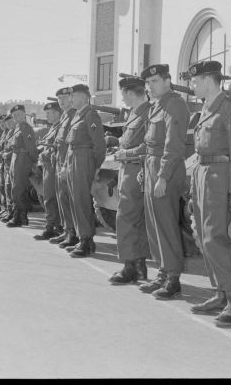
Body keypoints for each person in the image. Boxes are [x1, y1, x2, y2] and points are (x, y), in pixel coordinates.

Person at [188, 60, 231, 326]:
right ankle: (221, 292)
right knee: (201, 235)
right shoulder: (205, 109)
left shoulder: (230, 108)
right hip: (203, 174)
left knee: (215, 237)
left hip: (219, 176)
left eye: (195, 81)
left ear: (208, 80)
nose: (192, 85)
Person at [139, 64, 189, 300]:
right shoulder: (156, 106)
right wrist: (145, 169)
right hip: (152, 165)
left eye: (155, 81)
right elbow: (150, 143)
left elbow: (174, 146)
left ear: (168, 81)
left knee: (167, 224)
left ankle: (173, 278)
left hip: (165, 169)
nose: (150, 87)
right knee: (154, 223)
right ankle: (162, 271)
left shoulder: (174, 104)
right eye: (148, 83)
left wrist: (162, 177)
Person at [108, 76, 151, 284]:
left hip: (136, 170)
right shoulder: (135, 113)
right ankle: (139, 266)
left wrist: (125, 154)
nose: (122, 98)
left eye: (123, 94)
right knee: (134, 220)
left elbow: (150, 145)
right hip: (128, 170)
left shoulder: (148, 113)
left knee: (126, 218)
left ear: (131, 92)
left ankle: (130, 266)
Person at [61, 84, 106, 257]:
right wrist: (65, 164)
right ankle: (82, 238)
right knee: (74, 200)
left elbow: (99, 144)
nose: (70, 99)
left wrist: (95, 167)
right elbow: (70, 145)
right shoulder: (76, 116)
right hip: (74, 158)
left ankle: (87, 241)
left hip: (84, 159)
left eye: (74, 96)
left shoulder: (90, 115)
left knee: (81, 200)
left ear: (84, 97)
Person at [51, 87, 79, 249]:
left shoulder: (74, 116)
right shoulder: (64, 117)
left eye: (64, 98)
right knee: (62, 198)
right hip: (59, 162)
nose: (61, 101)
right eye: (59, 99)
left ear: (71, 98)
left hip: (68, 164)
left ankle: (73, 233)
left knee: (69, 199)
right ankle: (67, 229)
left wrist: (65, 165)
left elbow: (71, 145)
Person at [34, 102, 64, 240]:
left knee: (53, 198)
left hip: (54, 167)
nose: (46, 116)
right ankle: (52, 226)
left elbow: (58, 148)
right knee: (49, 198)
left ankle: (55, 227)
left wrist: (45, 154)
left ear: (57, 113)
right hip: (48, 167)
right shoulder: (53, 127)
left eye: (49, 113)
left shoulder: (61, 127)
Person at [7, 105, 39, 227]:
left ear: (24, 114)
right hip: (15, 157)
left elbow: (31, 147)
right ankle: (20, 216)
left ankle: (19, 217)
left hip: (23, 158)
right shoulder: (17, 128)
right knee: (15, 188)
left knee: (18, 189)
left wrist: (34, 162)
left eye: (18, 114)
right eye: (14, 115)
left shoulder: (26, 128)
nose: (16, 117)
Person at [0, 114, 17, 223]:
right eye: (7, 123)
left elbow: (18, 148)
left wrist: (7, 153)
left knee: (12, 189)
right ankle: (8, 210)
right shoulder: (9, 132)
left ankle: (14, 213)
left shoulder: (16, 131)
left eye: (10, 122)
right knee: (6, 188)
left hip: (13, 163)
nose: (8, 124)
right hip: (6, 163)